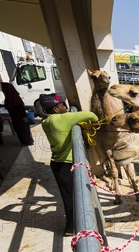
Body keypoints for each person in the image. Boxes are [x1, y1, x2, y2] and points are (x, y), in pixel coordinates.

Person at [40, 93, 99, 235]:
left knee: (68, 195)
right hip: (66, 165)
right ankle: (71, 227)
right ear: (55, 108)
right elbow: (92, 116)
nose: (66, 107)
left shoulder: (45, 121)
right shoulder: (63, 119)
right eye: (62, 105)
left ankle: (75, 224)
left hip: (57, 164)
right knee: (73, 197)